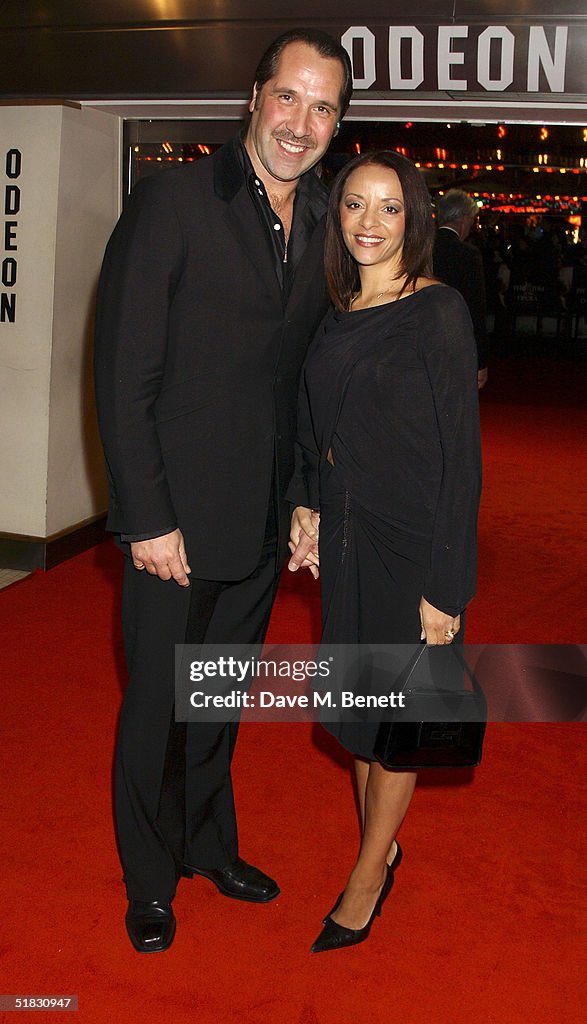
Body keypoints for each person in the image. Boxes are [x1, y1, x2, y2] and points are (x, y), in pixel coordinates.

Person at [94, 28, 352, 953]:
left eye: (323, 107)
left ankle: (209, 846)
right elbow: (124, 373)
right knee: (156, 703)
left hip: (258, 519)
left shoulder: (322, 223)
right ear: (254, 96)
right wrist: (147, 515)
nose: (301, 122)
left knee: (215, 698)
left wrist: (303, 499)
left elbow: (300, 382)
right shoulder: (174, 202)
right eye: (289, 97)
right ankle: (149, 879)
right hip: (174, 521)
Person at [288, 152, 481, 953]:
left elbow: (460, 457)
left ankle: (368, 873)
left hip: (411, 543)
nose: (369, 223)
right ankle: (382, 845)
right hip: (346, 535)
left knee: (398, 715)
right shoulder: (333, 311)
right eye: (355, 206)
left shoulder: (436, 311)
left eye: (389, 208)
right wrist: (304, 503)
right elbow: (311, 423)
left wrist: (446, 584)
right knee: (358, 711)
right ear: (336, 217)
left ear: (415, 220)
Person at [433, 189, 489, 388]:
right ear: (465, 219)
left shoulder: (420, 248)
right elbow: (476, 308)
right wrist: (480, 360)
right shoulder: (468, 254)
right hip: (455, 341)